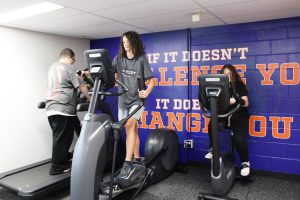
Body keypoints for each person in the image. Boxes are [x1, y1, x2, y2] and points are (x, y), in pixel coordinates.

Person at [112, 31, 155, 180]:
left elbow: (152, 80)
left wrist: (147, 91)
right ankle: (137, 158)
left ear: (134, 42)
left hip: (137, 101)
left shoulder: (141, 59)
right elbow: (112, 74)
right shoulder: (119, 58)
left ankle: (127, 163)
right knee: (132, 129)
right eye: (123, 41)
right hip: (122, 100)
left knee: (130, 125)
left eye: (127, 41)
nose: (125, 44)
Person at [45, 48, 90, 175]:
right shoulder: (70, 68)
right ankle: (57, 168)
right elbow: (82, 86)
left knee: (66, 133)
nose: (73, 62)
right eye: (73, 59)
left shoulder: (52, 67)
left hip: (51, 108)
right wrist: (90, 98)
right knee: (61, 138)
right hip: (63, 108)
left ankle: (65, 156)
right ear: (69, 57)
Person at [205, 64, 251, 177]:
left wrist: (235, 99)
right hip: (225, 115)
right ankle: (212, 149)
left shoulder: (239, 85)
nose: (227, 76)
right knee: (212, 124)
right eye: (225, 74)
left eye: (229, 74)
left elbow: (246, 103)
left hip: (239, 117)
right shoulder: (219, 87)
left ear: (233, 75)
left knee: (239, 140)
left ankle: (245, 163)